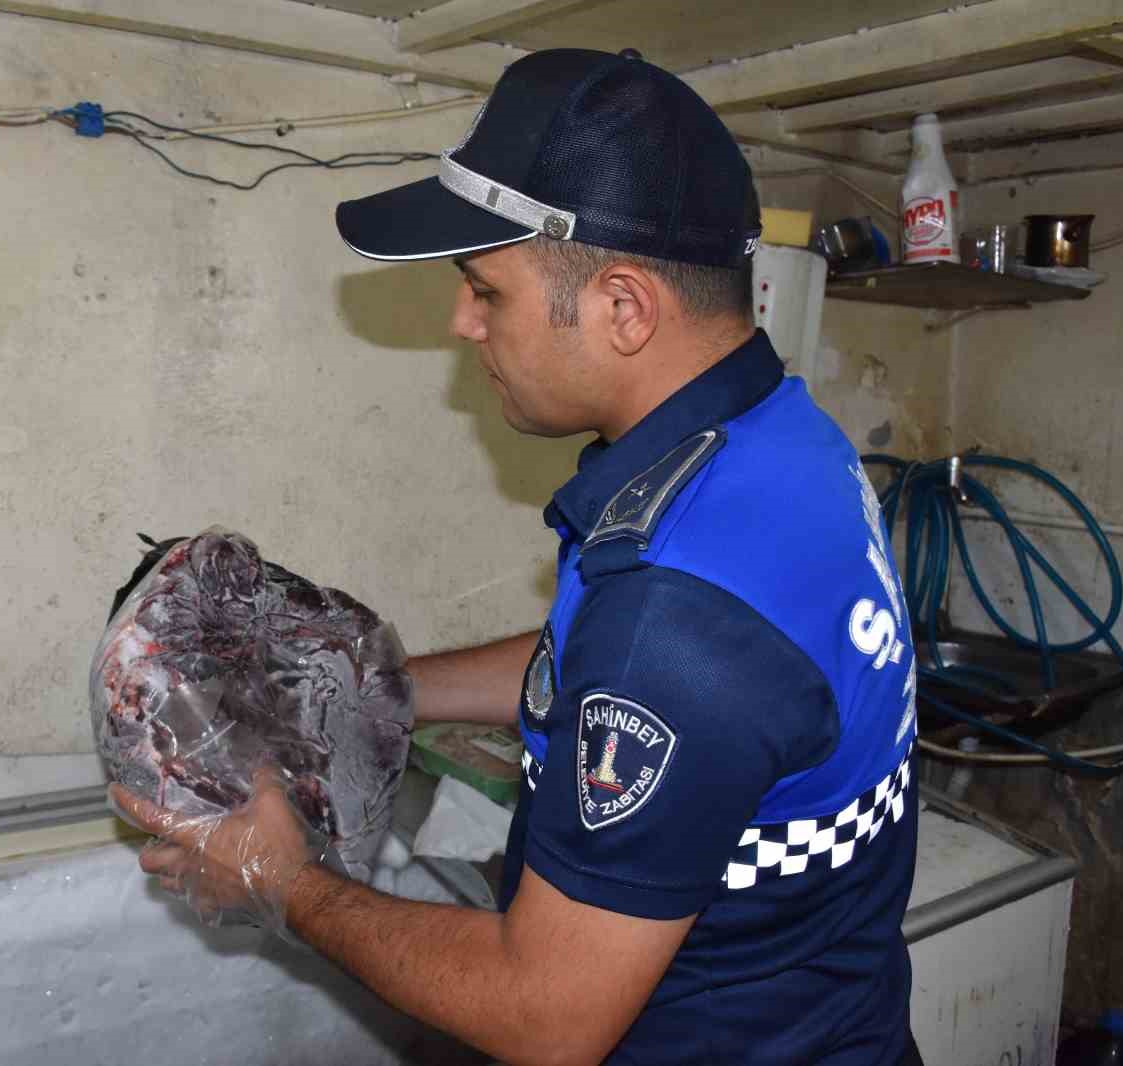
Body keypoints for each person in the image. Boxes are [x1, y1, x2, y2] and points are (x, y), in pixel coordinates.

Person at [113, 48, 922, 1066]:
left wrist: (281, 878)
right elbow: (607, 664)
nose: (462, 322)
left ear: (622, 307)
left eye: (485, 290)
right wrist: (385, 685)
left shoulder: (670, 617)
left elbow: (542, 1014)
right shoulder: (773, 445)